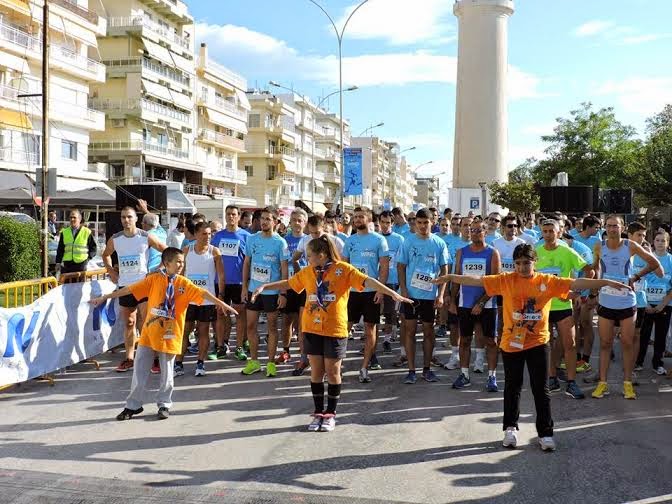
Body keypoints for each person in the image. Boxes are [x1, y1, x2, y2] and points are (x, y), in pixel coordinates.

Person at [435, 244, 631, 451]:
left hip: (537, 342)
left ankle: (545, 434)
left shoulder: (547, 281)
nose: (522, 267)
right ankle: (510, 428)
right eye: (518, 263)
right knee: (513, 387)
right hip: (511, 343)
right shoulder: (506, 279)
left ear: (534, 262)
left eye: (526, 263)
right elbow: (476, 279)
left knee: (541, 389)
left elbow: (577, 281)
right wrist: (450, 278)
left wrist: (607, 281)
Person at [251, 235, 412, 432]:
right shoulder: (308, 271)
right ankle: (318, 413)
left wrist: (391, 293)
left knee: (333, 373)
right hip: (311, 328)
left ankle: (330, 415)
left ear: (322, 255)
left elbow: (367, 280)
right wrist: (265, 286)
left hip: (334, 329)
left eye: (310, 256)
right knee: (317, 373)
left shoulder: (343, 269)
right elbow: (289, 283)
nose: (307, 259)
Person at [90, 247, 237, 420]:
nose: (181, 265)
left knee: (167, 372)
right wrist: (107, 296)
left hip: (170, 334)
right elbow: (130, 289)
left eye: (183, 262)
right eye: (178, 262)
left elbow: (203, 293)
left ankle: (164, 404)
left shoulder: (184, 283)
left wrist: (222, 304)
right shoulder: (153, 280)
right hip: (149, 333)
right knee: (139, 370)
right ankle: (133, 405)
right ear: (167, 263)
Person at [591, 215, 662, 400]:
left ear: (622, 228)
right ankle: (603, 384)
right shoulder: (599, 246)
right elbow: (596, 268)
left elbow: (654, 263)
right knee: (605, 344)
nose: (612, 229)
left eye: (616, 226)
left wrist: (635, 277)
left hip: (626, 302)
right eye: (609, 226)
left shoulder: (630, 245)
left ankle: (627, 384)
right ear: (605, 227)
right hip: (606, 301)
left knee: (627, 343)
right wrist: (595, 285)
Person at [102, 206, 166, 372]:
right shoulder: (116, 239)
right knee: (130, 323)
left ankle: (155, 359)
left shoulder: (145, 236)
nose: (126, 220)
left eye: (129, 217)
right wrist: (111, 271)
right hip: (125, 285)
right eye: (123, 217)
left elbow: (166, 251)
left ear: (136, 219)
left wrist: (158, 269)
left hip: (143, 285)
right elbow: (106, 254)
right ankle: (129, 358)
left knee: (146, 322)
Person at [535, 219, 593, 399]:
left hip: (563, 306)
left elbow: (588, 271)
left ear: (559, 232)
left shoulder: (567, 251)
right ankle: (551, 378)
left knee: (570, 344)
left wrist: (577, 291)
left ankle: (571, 382)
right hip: (543, 307)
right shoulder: (535, 252)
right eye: (545, 231)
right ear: (541, 233)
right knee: (547, 344)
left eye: (551, 231)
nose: (548, 234)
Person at [398, 208, 450, 384]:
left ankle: (427, 369)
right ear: (415, 223)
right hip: (411, 295)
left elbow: (445, 269)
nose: (422, 226)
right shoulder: (408, 242)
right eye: (419, 222)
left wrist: (441, 294)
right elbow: (401, 266)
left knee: (429, 331)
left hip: (430, 295)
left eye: (425, 222)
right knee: (410, 331)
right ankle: (411, 370)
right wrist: (403, 289)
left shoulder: (438, 243)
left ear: (432, 223)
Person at [291, 214, 345, 375]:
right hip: (310, 287)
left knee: (329, 324)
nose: (315, 236)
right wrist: (300, 274)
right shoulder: (305, 240)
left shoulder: (335, 241)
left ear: (324, 227)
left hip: (330, 289)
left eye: (318, 233)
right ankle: (304, 359)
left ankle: (333, 364)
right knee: (304, 324)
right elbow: (295, 259)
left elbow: (343, 264)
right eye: (312, 233)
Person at [450, 219, 501, 391]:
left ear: (485, 233)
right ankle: (464, 374)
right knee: (464, 340)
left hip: (487, 304)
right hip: (465, 303)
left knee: (491, 341)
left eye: (479, 230)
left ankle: (492, 377)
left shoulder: (492, 253)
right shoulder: (461, 252)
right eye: (473, 230)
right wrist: (452, 300)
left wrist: (481, 302)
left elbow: (496, 283)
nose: (475, 233)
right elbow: (456, 278)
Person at [342, 206, 389, 383]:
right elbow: (344, 266)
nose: (357, 220)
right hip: (352, 292)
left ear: (369, 220)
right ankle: (337, 364)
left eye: (361, 217)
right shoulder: (350, 241)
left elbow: (383, 267)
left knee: (370, 329)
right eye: (355, 217)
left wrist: (381, 289)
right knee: (344, 328)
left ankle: (364, 367)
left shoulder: (379, 240)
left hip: (371, 292)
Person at [241, 207, 290, 377]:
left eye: (268, 219)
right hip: (253, 290)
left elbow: (284, 269)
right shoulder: (252, 239)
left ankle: (270, 363)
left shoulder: (280, 243)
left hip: (273, 292)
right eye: (262, 218)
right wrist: (244, 288)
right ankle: (254, 361)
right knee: (251, 326)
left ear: (275, 222)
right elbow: (247, 263)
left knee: (272, 327)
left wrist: (283, 293)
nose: (264, 222)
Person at [174, 222, 225, 377]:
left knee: (204, 331)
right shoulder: (186, 250)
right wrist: (177, 294)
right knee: (184, 332)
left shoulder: (215, 252)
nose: (207, 237)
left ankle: (200, 363)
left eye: (210, 234)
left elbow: (221, 276)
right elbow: (179, 275)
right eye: (204, 234)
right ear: (195, 234)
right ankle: (178, 363)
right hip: (188, 300)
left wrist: (220, 296)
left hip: (206, 300)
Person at [212, 205, 250, 361]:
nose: (231, 217)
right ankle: (221, 346)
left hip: (239, 282)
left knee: (240, 315)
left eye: (234, 214)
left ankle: (239, 347)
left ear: (239, 217)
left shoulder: (246, 236)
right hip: (220, 282)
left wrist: (246, 284)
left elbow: (249, 262)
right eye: (228, 214)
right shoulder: (217, 237)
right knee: (221, 314)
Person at [636, 230, 672, 375]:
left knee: (660, 336)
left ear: (668, 243)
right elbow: (640, 281)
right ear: (653, 242)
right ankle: (638, 361)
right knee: (643, 335)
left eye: (663, 241)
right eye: (657, 240)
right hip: (646, 303)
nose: (660, 243)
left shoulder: (671, 260)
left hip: (664, 304)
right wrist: (646, 304)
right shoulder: (647, 259)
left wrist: (662, 305)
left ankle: (657, 363)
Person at [278, 209, 308, 364]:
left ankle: (303, 356)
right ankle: (286, 351)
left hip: (305, 286)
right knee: (287, 320)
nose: (296, 223)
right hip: (288, 284)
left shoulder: (309, 240)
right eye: (294, 220)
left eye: (299, 220)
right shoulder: (283, 240)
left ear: (305, 223)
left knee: (302, 323)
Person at [573, 215, 602, 373]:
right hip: (573, 289)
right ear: (587, 226)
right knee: (573, 325)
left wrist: (593, 292)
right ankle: (575, 357)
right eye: (596, 227)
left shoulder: (597, 243)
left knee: (587, 324)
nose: (598, 231)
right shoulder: (574, 240)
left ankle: (586, 359)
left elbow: (597, 268)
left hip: (588, 290)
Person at [379, 211, 404, 353]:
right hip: (376, 280)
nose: (385, 225)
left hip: (392, 280)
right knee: (375, 312)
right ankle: (369, 340)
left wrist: (401, 282)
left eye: (388, 222)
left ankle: (387, 339)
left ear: (392, 224)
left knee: (389, 312)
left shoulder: (399, 239)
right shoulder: (375, 238)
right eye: (382, 222)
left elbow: (401, 262)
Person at [55, 208, 97, 274]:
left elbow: (94, 248)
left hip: (81, 265)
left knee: (79, 284)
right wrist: (58, 262)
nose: (72, 219)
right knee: (67, 284)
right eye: (70, 217)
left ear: (79, 219)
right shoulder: (64, 232)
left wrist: (88, 259)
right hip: (67, 265)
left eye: (74, 217)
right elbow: (60, 249)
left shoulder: (87, 232)